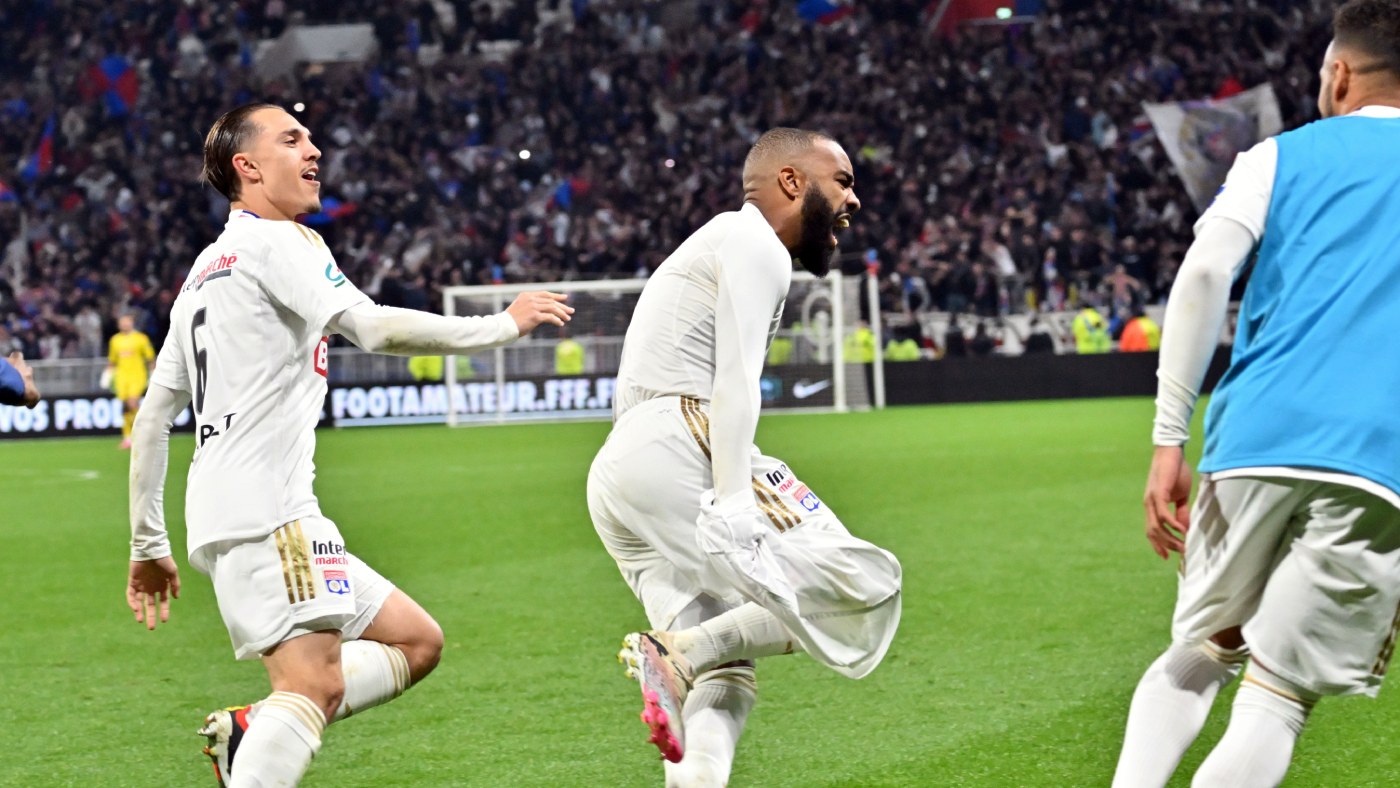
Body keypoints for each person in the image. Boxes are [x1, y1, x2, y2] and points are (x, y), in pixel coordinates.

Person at [124, 103, 573, 788]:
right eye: (291, 139)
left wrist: (148, 542)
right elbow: (373, 328)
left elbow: (154, 418)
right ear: (247, 167)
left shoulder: (204, 271)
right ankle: (265, 737)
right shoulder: (281, 242)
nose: (314, 150)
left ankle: (254, 728)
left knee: (415, 641)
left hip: (239, 510)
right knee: (313, 688)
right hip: (269, 511)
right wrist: (501, 326)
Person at [1113, 4, 1400, 785]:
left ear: (1340, 73)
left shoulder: (1278, 154)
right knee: (1278, 698)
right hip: (1380, 459)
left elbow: (1206, 272)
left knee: (1203, 649)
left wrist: (1169, 438)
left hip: (1255, 436)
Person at [588, 128, 902, 785]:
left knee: (727, 675)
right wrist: (733, 504)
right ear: (792, 181)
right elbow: (735, 381)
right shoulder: (757, 242)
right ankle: (680, 651)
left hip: (621, 474)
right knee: (865, 586)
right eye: (842, 181)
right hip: (681, 436)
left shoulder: (723, 239)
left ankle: (687, 664)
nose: (854, 200)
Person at [106, 313, 156, 449]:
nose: (125, 324)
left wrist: (153, 373)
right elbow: (112, 360)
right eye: (122, 322)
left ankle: (142, 433)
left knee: (132, 403)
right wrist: (107, 375)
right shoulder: (115, 340)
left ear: (132, 322)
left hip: (137, 376)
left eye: (127, 321)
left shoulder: (141, 338)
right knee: (125, 407)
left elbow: (150, 358)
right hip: (121, 378)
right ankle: (128, 437)